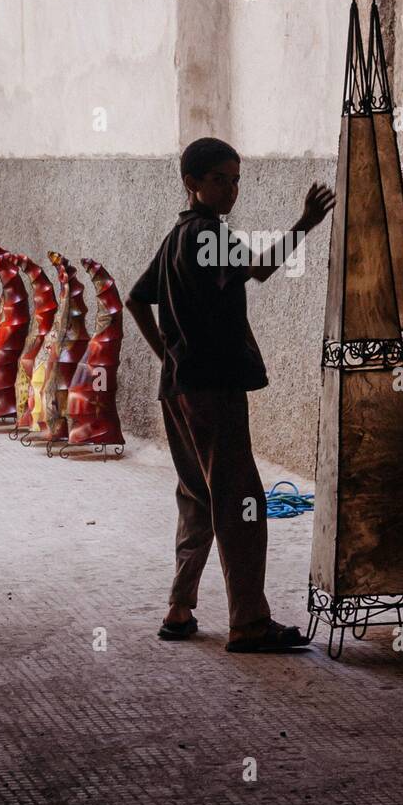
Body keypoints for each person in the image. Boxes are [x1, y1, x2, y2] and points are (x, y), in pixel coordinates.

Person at [126, 136, 334, 653]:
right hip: (213, 389)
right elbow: (261, 270)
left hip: (179, 387)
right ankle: (248, 622)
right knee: (241, 501)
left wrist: (168, 356)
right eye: (221, 178)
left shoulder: (179, 235)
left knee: (197, 495)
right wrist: (304, 224)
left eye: (237, 179)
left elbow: (135, 299)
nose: (231, 189)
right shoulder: (204, 235)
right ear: (191, 183)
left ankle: (180, 608)